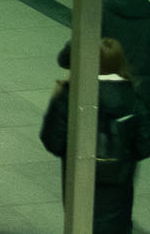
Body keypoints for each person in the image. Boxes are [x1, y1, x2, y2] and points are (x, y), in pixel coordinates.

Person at [41, 37, 150, 233]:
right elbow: (144, 145)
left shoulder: (71, 95)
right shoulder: (134, 99)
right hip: (119, 188)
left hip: (78, 181)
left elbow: (53, 142)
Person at [58, 0, 150, 105]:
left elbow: (73, 51)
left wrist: (65, 57)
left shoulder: (99, 8)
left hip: (114, 93)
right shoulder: (143, 2)